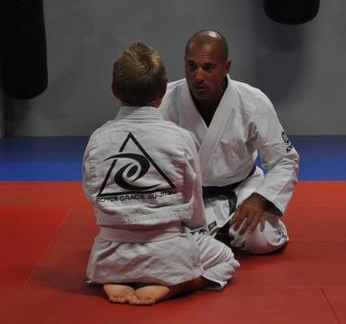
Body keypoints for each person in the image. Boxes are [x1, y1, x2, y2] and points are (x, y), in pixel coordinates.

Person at [82, 42, 239, 305]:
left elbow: (92, 192)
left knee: (110, 246)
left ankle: (114, 276)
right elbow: (193, 203)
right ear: (162, 91)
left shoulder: (98, 139)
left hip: (109, 253)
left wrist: (126, 210)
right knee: (226, 259)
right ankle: (181, 284)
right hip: (168, 253)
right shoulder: (179, 138)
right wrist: (196, 230)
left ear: (114, 90)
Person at [159, 30, 300, 254]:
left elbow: (285, 159)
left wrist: (260, 198)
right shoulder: (164, 100)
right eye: (191, 65)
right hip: (186, 194)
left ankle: (229, 228)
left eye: (208, 67)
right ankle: (215, 232)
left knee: (258, 239)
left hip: (241, 188)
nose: (198, 76)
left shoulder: (253, 102)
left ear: (226, 67)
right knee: (162, 242)